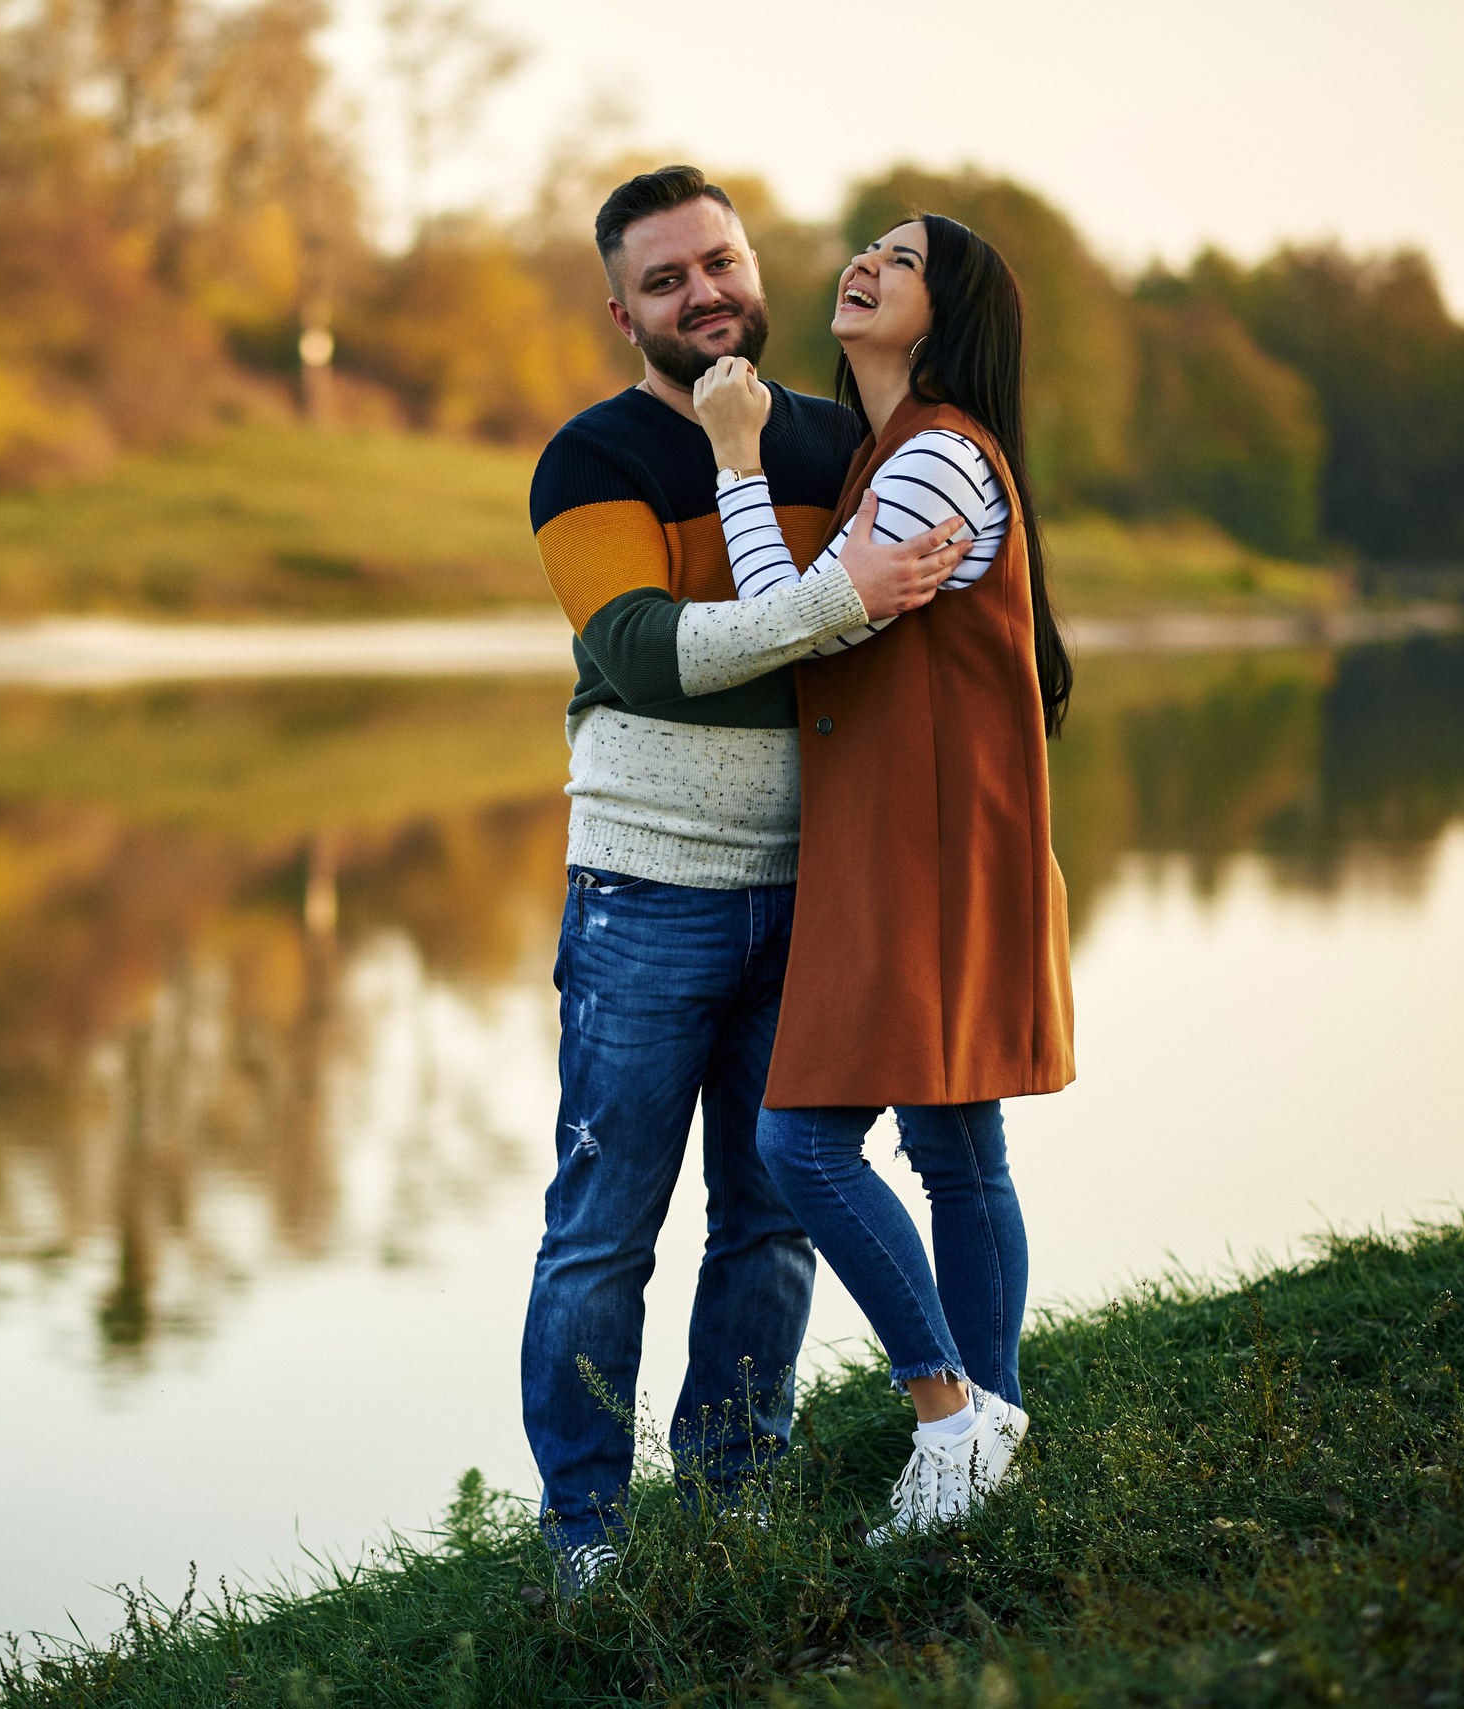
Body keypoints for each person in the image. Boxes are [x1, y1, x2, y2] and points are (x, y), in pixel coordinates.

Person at [521, 167, 975, 1594]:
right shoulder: (587, 461)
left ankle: (735, 1497)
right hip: (647, 897)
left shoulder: (847, 441)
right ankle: (585, 1534)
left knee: (771, 1215)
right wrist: (841, 604)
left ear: (753, 266)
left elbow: (904, 650)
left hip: (818, 898)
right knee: (603, 1230)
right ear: (623, 314)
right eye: (665, 280)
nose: (702, 294)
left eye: (717, 262)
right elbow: (647, 655)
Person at [689, 213, 1076, 1544]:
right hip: (926, 836)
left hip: (922, 849)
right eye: (865, 247)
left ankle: (948, 1409)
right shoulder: (890, 457)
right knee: (958, 1149)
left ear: (949, 309)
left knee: (801, 1142)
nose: (864, 263)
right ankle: (992, 1420)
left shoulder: (939, 459)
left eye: (901, 260)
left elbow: (787, 632)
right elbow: (827, 613)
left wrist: (738, 459)